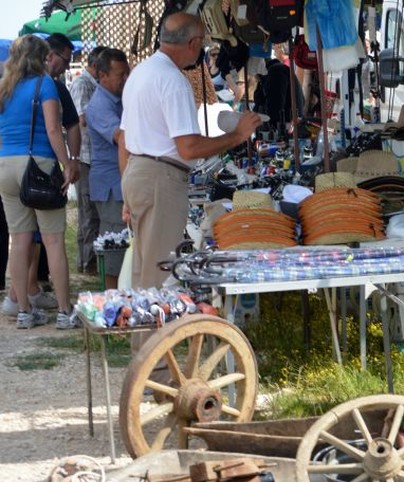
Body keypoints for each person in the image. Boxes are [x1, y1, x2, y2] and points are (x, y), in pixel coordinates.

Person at [119, 12, 261, 293]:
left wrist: (127, 191)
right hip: (160, 178)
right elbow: (189, 147)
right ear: (194, 43)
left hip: (138, 172)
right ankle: (154, 337)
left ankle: (146, 336)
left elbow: (122, 138)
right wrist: (237, 135)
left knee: (143, 274)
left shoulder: (141, 73)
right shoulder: (172, 80)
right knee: (156, 278)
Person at [0, 35, 77, 329]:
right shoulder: (43, 84)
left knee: (18, 241)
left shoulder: (4, 88)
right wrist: (67, 163)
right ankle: (63, 311)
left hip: (5, 164)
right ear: (40, 58)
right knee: (53, 240)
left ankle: (23, 310)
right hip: (38, 164)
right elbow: (53, 130)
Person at [87, 48, 130, 289]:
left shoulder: (118, 99)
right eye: (120, 74)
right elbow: (122, 137)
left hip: (119, 183)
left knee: (125, 249)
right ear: (102, 76)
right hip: (112, 187)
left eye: (127, 72)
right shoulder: (99, 105)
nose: (126, 78)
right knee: (115, 249)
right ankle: (112, 303)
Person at [69, 45, 106, 275]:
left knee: (91, 211)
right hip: (86, 156)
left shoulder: (93, 84)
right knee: (88, 213)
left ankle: (86, 261)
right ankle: (87, 262)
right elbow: (82, 118)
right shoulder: (83, 84)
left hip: (93, 156)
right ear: (95, 65)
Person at [254, 43, 304, 137]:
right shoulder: (275, 71)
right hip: (285, 126)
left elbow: (275, 106)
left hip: (284, 129)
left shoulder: (276, 72)